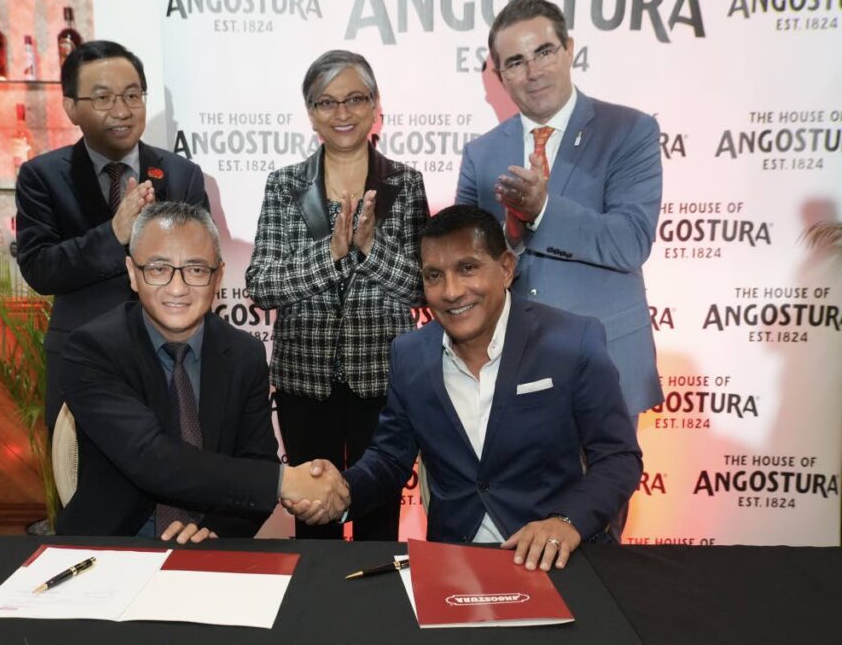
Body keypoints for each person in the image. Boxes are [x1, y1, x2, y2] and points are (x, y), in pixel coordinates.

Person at [286, 206, 642, 572]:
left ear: (506, 268)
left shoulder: (571, 342)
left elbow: (618, 458)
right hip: (454, 565)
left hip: (555, 559)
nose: (451, 291)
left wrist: (565, 522)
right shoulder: (410, 356)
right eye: (434, 275)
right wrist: (343, 491)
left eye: (467, 268)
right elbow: (390, 459)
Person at [56, 202, 348, 540]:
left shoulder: (244, 353)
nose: (177, 288)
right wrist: (284, 482)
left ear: (219, 276)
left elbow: (255, 461)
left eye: (195, 270)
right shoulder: (92, 349)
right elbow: (152, 459)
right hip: (110, 549)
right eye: (158, 268)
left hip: (211, 547)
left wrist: (214, 533)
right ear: (133, 274)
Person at [245, 50, 429, 541]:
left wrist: (369, 248)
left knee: (378, 514)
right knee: (313, 516)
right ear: (310, 114)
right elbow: (261, 285)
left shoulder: (405, 184)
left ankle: (377, 610)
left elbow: (421, 286)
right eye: (327, 102)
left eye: (355, 99)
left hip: (384, 380)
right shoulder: (284, 185)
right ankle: (315, 611)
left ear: (375, 107)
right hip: (305, 384)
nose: (342, 113)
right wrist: (329, 255)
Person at [455, 0, 663, 425]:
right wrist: (510, 234)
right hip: (508, 369)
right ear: (499, 76)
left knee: (600, 492)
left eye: (544, 52)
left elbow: (629, 242)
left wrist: (543, 209)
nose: (533, 72)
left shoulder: (630, 131)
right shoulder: (481, 153)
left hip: (604, 365)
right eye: (515, 62)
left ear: (568, 49)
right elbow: (465, 262)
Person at [16, 40, 209, 432]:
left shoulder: (182, 174)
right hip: (83, 358)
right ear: (72, 106)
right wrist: (113, 234)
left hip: (169, 358)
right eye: (103, 97)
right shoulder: (43, 176)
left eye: (132, 95)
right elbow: (40, 269)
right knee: (85, 484)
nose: (122, 110)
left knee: (173, 480)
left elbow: (200, 263)